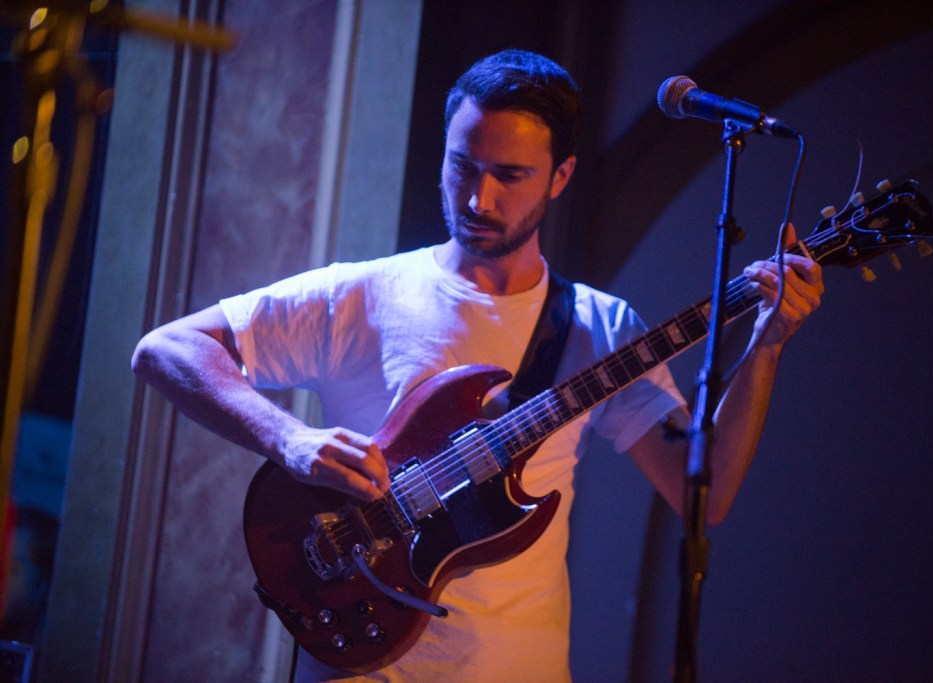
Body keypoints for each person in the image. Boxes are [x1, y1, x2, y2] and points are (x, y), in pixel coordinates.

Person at [132, 49, 823, 682]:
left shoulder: (601, 328)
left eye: (509, 176)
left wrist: (767, 346)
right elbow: (167, 348)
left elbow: (705, 490)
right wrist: (289, 439)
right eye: (463, 164)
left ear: (561, 176)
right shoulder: (364, 294)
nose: (477, 198)